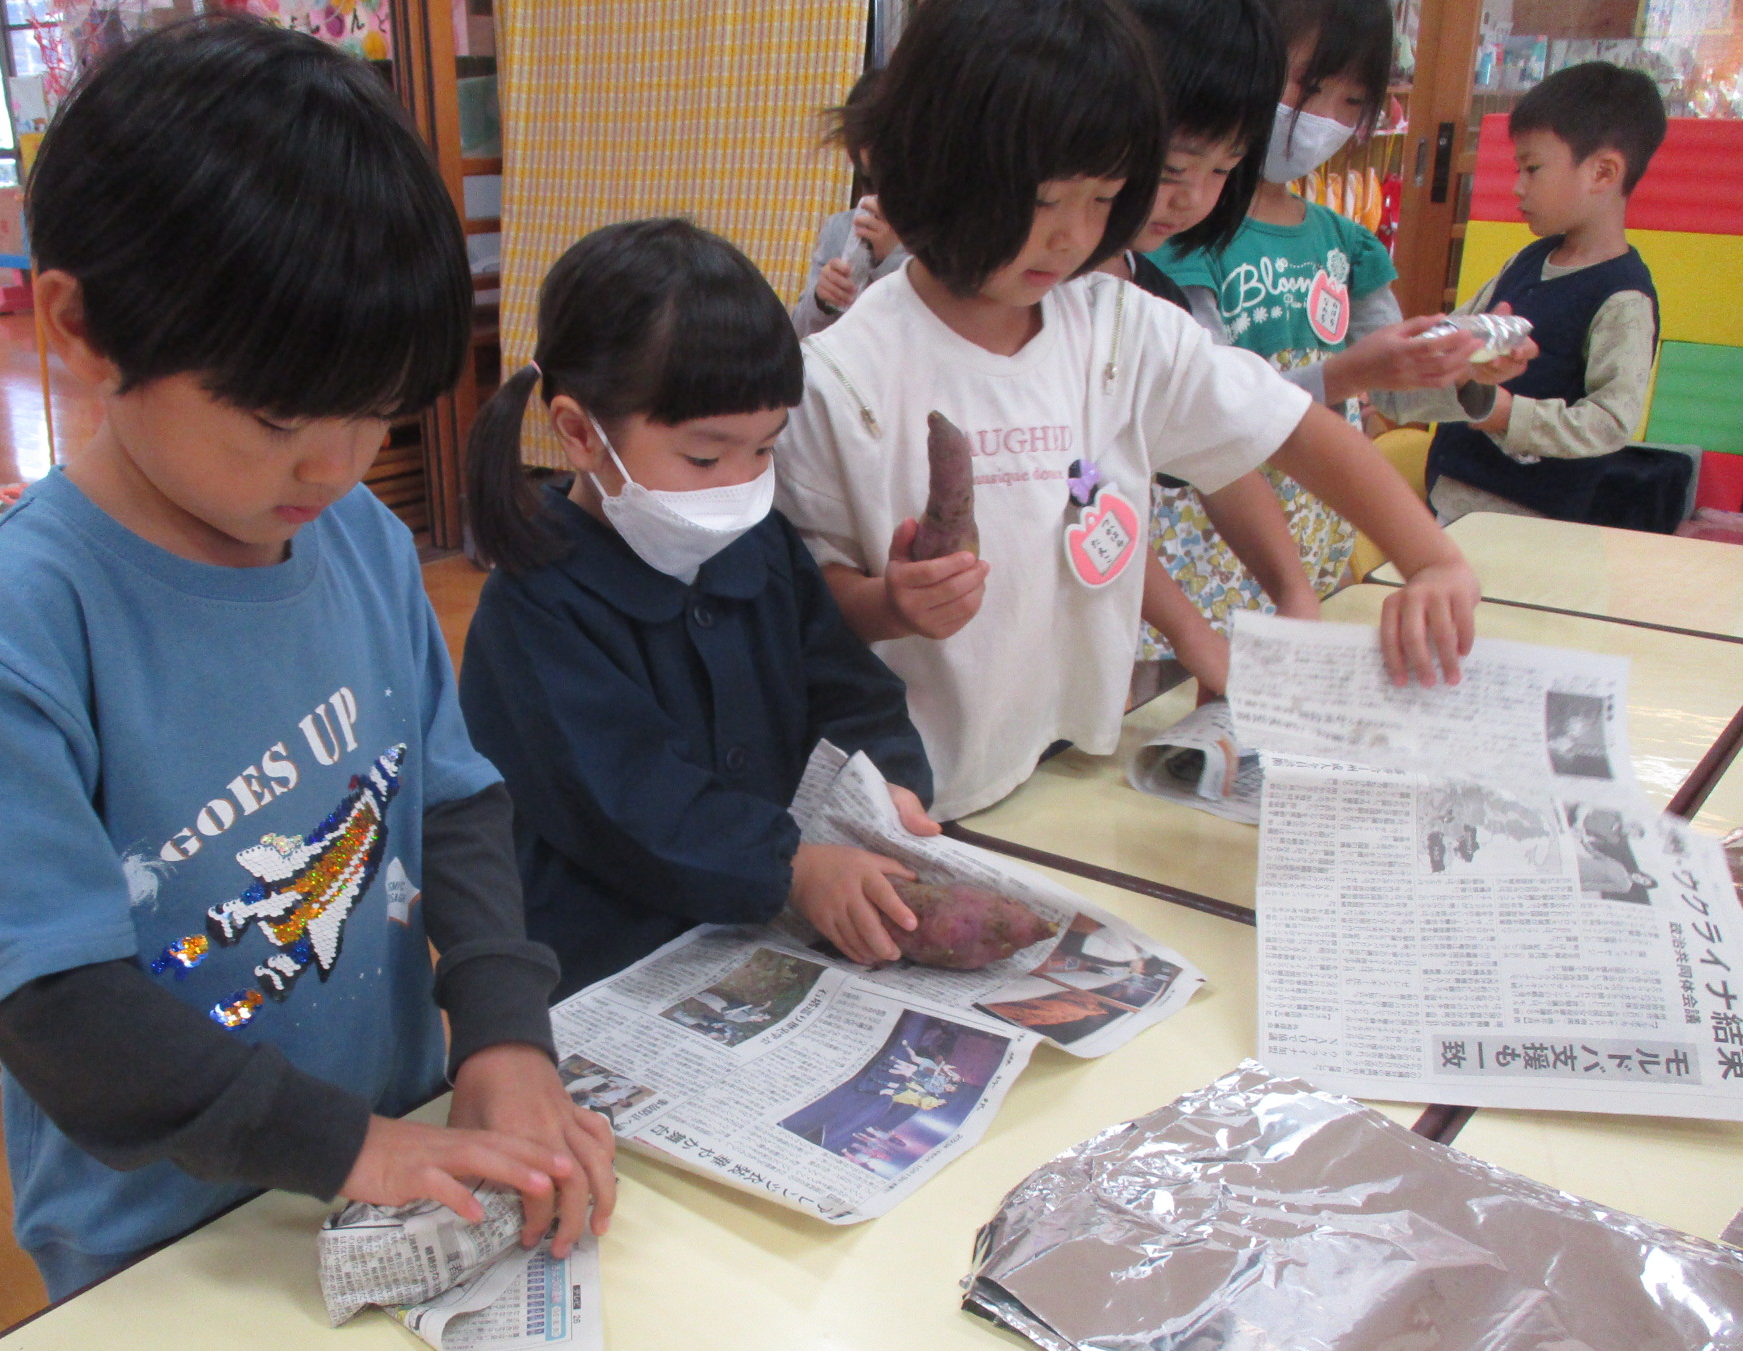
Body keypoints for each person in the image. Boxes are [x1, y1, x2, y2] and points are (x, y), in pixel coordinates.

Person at [0, 17, 611, 1305]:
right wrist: (352, 1146)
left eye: (372, 408)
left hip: (393, 1162)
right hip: (164, 1243)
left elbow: (449, 807)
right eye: (280, 418)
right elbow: (54, 1008)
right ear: (84, 324)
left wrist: (504, 1030)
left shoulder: (359, 543)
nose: (335, 465)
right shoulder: (17, 636)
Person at [773, 0, 1480, 823]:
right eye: (1044, 200)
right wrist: (890, 605)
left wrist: (1430, 560)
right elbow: (802, 599)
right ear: (937, 165)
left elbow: (1289, 428)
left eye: (1105, 195)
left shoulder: (1117, 325)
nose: (1074, 236)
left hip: (1061, 768)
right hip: (913, 795)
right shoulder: (838, 376)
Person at [458, 219, 936, 998]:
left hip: (766, 931)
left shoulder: (761, 546)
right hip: (616, 967)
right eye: (706, 457)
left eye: (765, 449)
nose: (741, 483)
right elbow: (627, 802)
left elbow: (849, 688)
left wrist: (889, 786)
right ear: (580, 434)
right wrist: (788, 867)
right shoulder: (534, 607)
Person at [1153, 0, 1527, 610]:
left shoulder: (1346, 243)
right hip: (1196, 552)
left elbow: (1395, 389)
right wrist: (1349, 373)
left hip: (1310, 539)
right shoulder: (1177, 232)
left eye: (1352, 103)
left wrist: (1461, 366)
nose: (1323, 119)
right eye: (1310, 85)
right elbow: (1218, 410)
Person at [1103, 0, 1323, 700]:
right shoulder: (1035, 306)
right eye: (1172, 167)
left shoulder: (1151, 299)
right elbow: (1078, 495)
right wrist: (1196, 637)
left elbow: (1225, 455)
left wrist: (1294, 592)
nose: (1193, 197)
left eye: (1226, 168)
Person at [1418, 63, 1666, 524]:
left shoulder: (1624, 298)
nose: (1518, 186)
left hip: (1527, 521)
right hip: (1452, 496)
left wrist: (1509, 415)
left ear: (1603, 172)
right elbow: (1457, 331)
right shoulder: (1527, 260)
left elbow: (1611, 421)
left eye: (1532, 169)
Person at [793, 72, 909, 338]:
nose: (881, 149)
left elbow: (929, 328)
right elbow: (799, 335)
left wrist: (888, 258)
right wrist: (821, 300)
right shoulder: (840, 227)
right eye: (868, 137)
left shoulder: (936, 233)